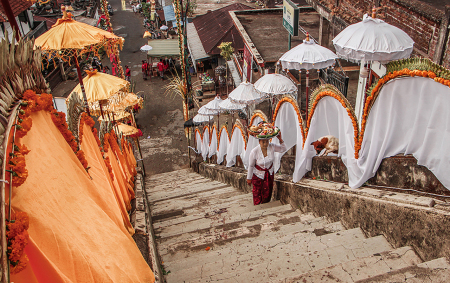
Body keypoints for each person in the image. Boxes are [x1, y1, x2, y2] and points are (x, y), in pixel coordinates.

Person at [246, 132, 286, 205]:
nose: (265, 144)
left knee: (268, 191)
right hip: (258, 175)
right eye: (263, 142)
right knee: (257, 192)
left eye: (267, 141)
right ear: (259, 141)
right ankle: (257, 206)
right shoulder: (254, 151)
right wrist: (249, 178)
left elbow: (283, 149)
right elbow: (251, 166)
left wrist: (280, 139)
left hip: (269, 174)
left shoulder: (272, 146)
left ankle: (265, 204)